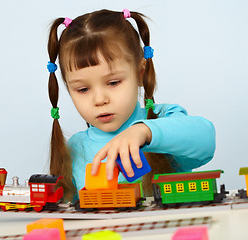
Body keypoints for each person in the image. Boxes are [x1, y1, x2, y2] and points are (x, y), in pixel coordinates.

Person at [46, 9, 216, 202]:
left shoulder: (163, 120)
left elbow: (206, 138)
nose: (99, 100)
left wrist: (144, 132)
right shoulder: (76, 148)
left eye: (113, 83)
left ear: (140, 73)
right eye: (83, 89)